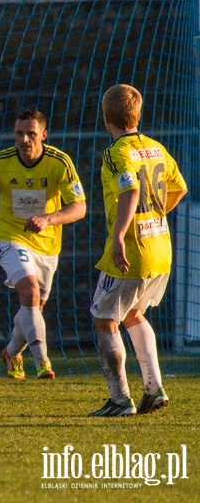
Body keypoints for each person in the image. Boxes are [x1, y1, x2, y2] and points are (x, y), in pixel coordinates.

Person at [0, 109, 86, 380]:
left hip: (47, 246)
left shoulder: (60, 163)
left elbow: (79, 207)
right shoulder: (0, 161)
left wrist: (49, 219)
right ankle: (43, 362)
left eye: (31, 134)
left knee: (32, 308)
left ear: (43, 135)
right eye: (19, 133)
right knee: (30, 291)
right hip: (9, 238)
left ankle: (12, 352)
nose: (24, 139)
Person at [88, 84, 186, 417]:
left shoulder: (116, 153)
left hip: (133, 250)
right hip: (161, 247)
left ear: (106, 117)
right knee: (132, 314)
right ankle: (154, 387)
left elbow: (130, 193)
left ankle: (120, 399)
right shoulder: (156, 147)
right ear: (138, 114)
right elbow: (180, 188)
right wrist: (154, 215)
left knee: (103, 317)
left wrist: (118, 237)